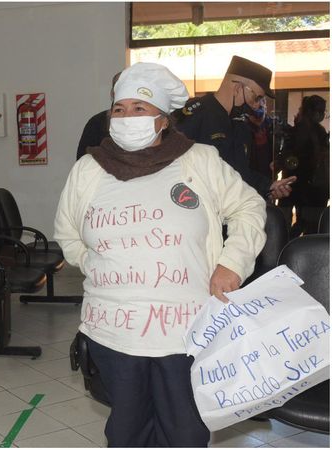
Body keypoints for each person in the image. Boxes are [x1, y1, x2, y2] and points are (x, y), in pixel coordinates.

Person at [54, 62, 266, 447]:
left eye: (140, 108)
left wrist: (231, 263)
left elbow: (249, 208)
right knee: (127, 431)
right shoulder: (88, 169)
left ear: (163, 119)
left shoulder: (198, 160)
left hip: (185, 332)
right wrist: (96, 265)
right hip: (114, 329)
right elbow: (67, 235)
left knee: (185, 430)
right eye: (120, 109)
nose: (127, 117)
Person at [174, 55, 295, 200]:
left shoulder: (240, 126)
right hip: (198, 207)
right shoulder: (195, 115)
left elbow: (239, 173)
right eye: (256, 98)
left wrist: (269, 186)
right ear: (238, 88)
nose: (257, 105)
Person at [279, 95, 330, 235]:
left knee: (294, 225)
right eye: (321, 111)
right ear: (313, 112)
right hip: (309, 190)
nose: (322, 115)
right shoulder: (315, 132)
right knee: (309, 227)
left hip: (297, 187)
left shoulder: (301, 130)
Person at [76, 71, 122, 160]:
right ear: (112, 93)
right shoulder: (96, 122)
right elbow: (82, 160)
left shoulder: (146, 122)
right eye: (120, 87)